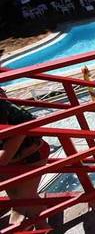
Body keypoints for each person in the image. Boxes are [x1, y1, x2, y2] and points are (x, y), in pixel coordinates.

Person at [0, 97, 50, 227]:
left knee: (26, 197)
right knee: (17, 196)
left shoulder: (5, 110)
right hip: (17, 157)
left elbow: (3, 158)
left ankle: (43, 226)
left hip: (31, 156)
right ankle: (30, 218)